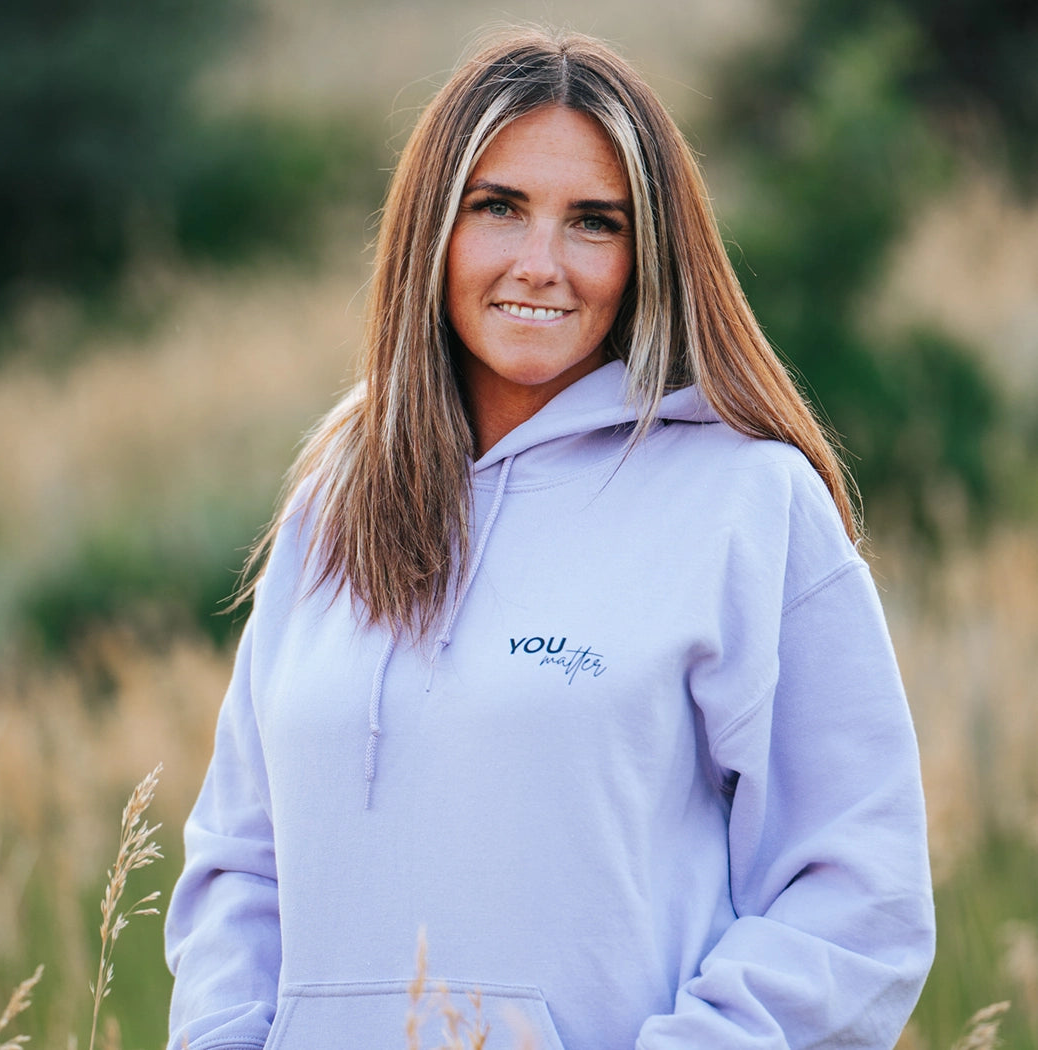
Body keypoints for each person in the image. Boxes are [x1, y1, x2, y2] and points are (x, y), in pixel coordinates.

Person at [164, 27, 935, 1050]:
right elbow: (238, 864)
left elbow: (859, 899)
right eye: (499, 208)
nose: (542, 264)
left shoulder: (746, 501)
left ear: (648, 250)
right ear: (431, 232)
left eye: (594, 223)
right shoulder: (334, 501)